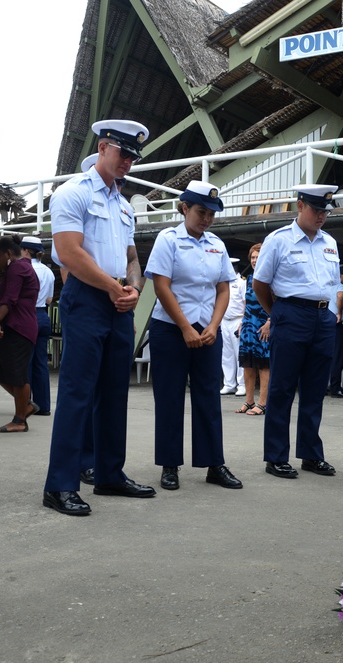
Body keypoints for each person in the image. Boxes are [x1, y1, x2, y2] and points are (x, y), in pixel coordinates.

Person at [43, 119, 156, 517]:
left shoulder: (123, 205)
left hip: (119, 300)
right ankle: (60, 485)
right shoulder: (72, 193)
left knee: (114, 392)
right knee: (77, 392)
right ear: (104, 146)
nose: (128, 161)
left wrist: (135, 289)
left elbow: (131, 258)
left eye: (133, 156)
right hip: (88, 297)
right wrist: (112, 288)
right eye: (123, 152)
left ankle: (109, 472)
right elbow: (69, 252)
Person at [144, 180, 243, 491]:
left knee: (208, 396)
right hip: (171, 329)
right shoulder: (168, 239)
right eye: (201, 212)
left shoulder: (217, 244)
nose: (207, 219)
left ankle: (214, 463)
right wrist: (185, 327)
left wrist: (213, 326)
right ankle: (169, 464)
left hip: (207, 329)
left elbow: (223, 287)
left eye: (211, 214)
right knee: (170, 397)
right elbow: (161, 285)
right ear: (184, 208)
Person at [253, 184, 341, 479]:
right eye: (317, 210)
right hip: (291, 313)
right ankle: (276, 456)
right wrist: (277, 314)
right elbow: (260, 284)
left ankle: (311, 454)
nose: (321, 216)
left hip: (322, 317)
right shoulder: (278, 240)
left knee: (315, 390)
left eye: (325, 212)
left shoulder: (330, 242)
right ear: (300, 205)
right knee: (282, 388)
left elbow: (331, 285)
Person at [0, 237, 39, 432]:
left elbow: (10, 298)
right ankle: (26, 405)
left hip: (19, 327)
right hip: (14, 326)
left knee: (18, 374)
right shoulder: (17, 268)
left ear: (8, 254)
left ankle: (20, 419)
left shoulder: (18, 268)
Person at [20, 235, 55, 416]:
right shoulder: (48, 272)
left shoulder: (23, 268)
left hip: (27, 315)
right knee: (41, 362)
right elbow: (49, 299)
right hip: (43, 314)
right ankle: (44, 405)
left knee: (26, 361)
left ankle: (26, 403)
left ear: (25, 250)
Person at [237, 242, 271, 416]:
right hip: (249, 324)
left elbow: (277, 302)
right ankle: (249, 401)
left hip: (264, 325)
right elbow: (246, 304)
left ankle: (263, 403)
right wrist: (242, 322)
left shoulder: (270, 277)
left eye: (258, 257)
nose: (255, 260)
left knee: (264, 365)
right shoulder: (248, 279)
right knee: (247, 364)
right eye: (252, 257)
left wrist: (270, 322)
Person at [219, 260, 246, 395]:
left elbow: (246, 303)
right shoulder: (222, 283)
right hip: (224, 320)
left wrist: (244, 322)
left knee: (239, 354)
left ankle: (242, 385)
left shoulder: (241, 283)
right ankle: (229, 383)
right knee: (226, 354)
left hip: (237, 320)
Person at [328, 267, 343, 398]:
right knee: (338, 357)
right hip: (335, 322)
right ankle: (335, 388)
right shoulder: (340, 286)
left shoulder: (324, 284)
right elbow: (340, 295)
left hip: (322, 321)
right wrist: (339, 312)